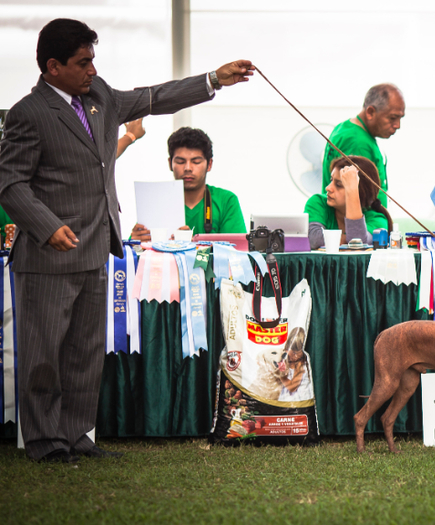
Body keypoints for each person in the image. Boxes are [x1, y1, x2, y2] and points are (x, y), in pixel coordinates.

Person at [0, 18, 255, 463]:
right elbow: (10, 183)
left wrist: (214, 79)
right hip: (46, 256)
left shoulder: (98, 96)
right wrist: (44, 224)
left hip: (97, 248)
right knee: (44, 356)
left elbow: (153, 98)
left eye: (94, 60)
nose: (93, 70)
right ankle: (45, 443)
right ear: (53, 66)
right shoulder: (28, 113)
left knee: (85, 354)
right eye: (83, 63)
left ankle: (78, 436)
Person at [130, 127, 246, 241]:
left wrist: (194, 247)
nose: (188, 168)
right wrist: (135, 244)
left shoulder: (226, 201)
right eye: (180, 162)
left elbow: (238, 253)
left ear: (209, 164)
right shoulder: (156, 201)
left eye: (196, 162)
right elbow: (132, 254)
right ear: (170, 164)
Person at [321, 83, 405, 208]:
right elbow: (354, 199)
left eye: (400, 118)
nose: (397, 125)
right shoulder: (357, 143)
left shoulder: (345, 128)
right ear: (370, 112)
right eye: (392, 118)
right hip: (363, 224)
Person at [305, 156, 392, 249]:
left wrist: (351, 190)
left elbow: (357, 242)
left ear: (359, 193)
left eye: (338, 185)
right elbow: (314, 239)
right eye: (331, 180)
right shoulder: (319, 202)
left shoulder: (378, 219)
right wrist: (347, 240)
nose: (328, 188)